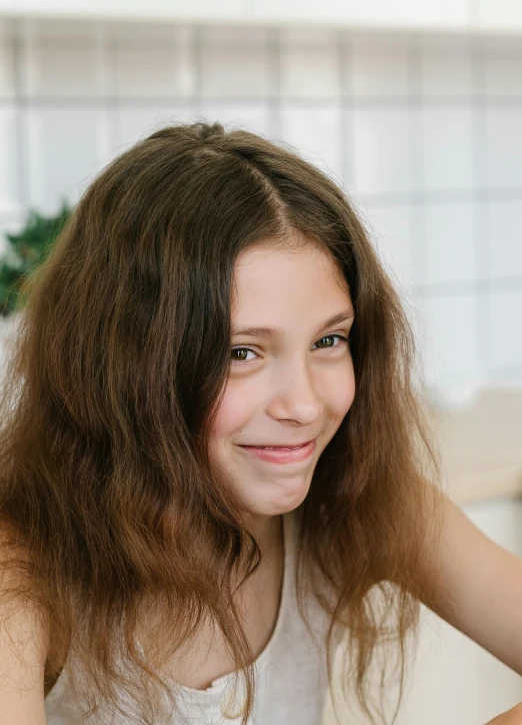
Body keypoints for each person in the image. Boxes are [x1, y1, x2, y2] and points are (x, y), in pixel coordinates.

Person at [0, 120, 521, 725]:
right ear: (126, 366)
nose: (302, 405)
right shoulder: (21, 570)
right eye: (241, 352)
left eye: (329, 340)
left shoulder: (356, 497)